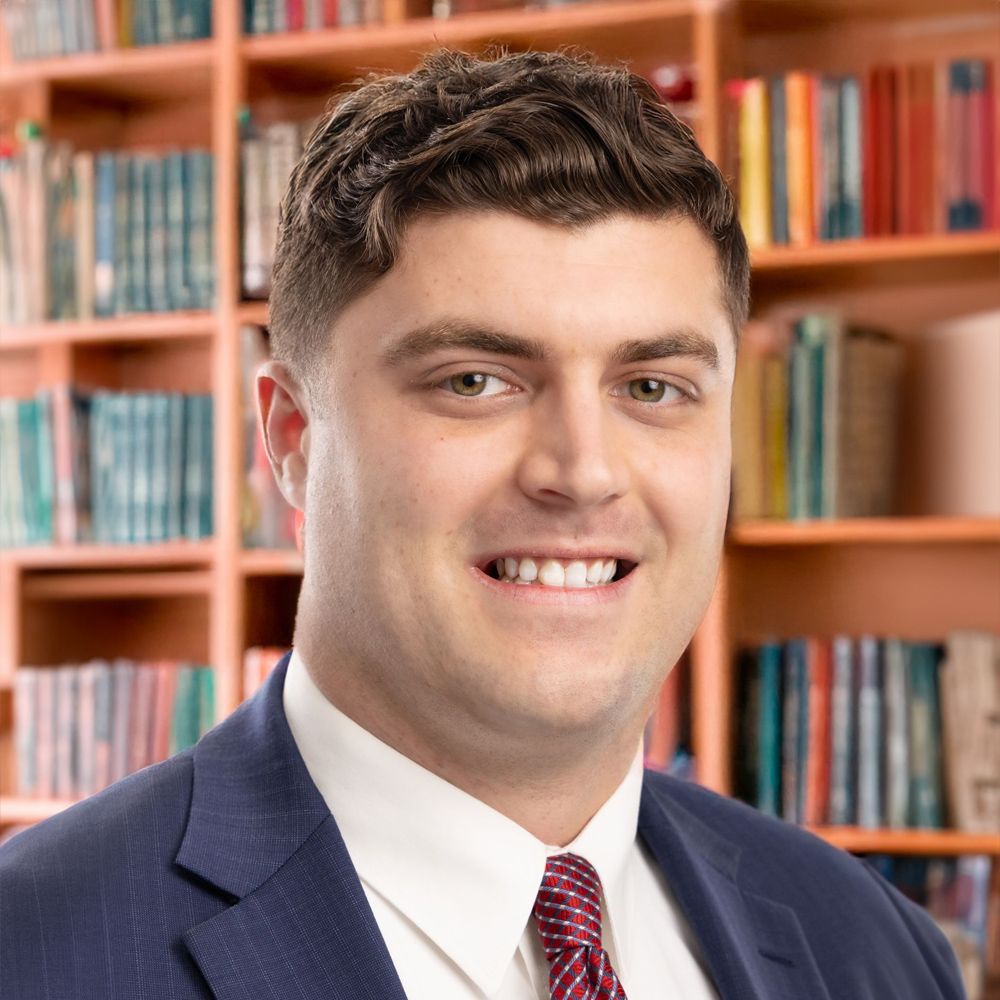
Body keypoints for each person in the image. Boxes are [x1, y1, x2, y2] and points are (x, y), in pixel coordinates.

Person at [0, 47, 964, 1000]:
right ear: (291, 438)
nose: (583, 473)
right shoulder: (35, 951)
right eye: (475, 381)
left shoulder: (874, 948)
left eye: (653, 387)